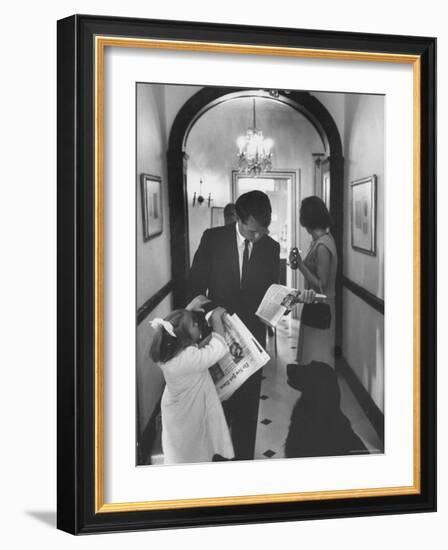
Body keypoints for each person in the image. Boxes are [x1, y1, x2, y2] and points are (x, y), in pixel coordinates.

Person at [189, 190, 280, 460]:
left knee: (248, 407)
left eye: (263, 231)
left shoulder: (271, 247)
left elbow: (270, 293)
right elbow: (193, 286)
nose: (258, 237)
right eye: (253, 232)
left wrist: (282, 302)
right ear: (239, 220)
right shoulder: (213, 239)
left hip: (252, 340)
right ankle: (218, 459)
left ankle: (243, 463)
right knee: (218, 405)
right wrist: (212, 312)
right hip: (217, 336)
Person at [149, 306, 234, 464]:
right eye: (194, 324)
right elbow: (219, 348)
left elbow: (189, 344)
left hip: (176, 412)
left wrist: (187, 311)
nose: (197, 325)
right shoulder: (189, 358)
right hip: (190, 412)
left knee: (180, 449)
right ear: (183, 337)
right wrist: (216, 319)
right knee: (195, 448)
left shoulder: (167, 354)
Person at [289, 196, 338, 368]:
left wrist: (301, 265)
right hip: (314, 303)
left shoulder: (323, 245)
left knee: (316, 358)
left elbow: (321, 283)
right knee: (310, 356)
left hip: (321, 306)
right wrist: (299, 263)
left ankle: (316, 392)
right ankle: (310, 392)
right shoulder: (319, 241)